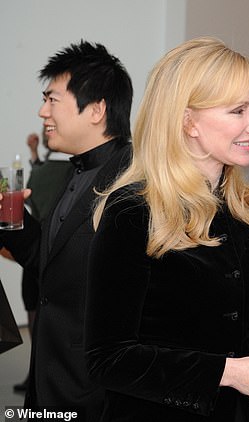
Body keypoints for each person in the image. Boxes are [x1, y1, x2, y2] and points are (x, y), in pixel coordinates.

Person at [84, 36, 249, 421]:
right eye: (238, 110)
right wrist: (230, 373)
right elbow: (107, 358)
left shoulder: (247, 207)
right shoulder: (133, 212)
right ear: (188, 121)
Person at [0, 40, 133, 420]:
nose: (42, 112)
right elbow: (49, 262)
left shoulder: (132, 185)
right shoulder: (74, 171)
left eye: (52, 99)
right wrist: (9, 220)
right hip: (49, 386)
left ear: (96, 109)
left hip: (93, 396)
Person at [12, 131, 73, 394]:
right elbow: (42, 175)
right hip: (41, 248)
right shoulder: (59, 164)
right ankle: (36, 375)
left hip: (50, 249)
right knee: (35, 312)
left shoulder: (72, 166)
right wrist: (35, 154)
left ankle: (40, 377)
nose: (45, 115)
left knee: (42, 317)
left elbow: (41, 188)